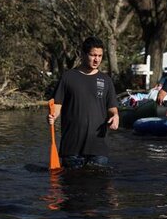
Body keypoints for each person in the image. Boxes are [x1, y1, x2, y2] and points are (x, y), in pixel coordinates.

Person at [47, 36, 119, 168]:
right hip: (72, 147)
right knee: (73, 187)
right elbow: (57, 105)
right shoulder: (68, 77)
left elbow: (112, 107)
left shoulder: (106, 80)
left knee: (98, 186)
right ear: (83, 54)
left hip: (98, 147)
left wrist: (115, 116)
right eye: (93, 55)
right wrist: (53, 116)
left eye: (100, 55)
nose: (97, 59)